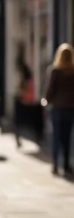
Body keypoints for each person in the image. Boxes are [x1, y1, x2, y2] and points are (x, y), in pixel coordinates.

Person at [45, 43, 74, 177]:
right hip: (70, 107)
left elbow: (51, 89)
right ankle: (66, 164)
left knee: (56, 136)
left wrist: (46, 100)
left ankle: (56, 164)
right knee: (67, 137)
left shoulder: (55, 70)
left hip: (57, 107)